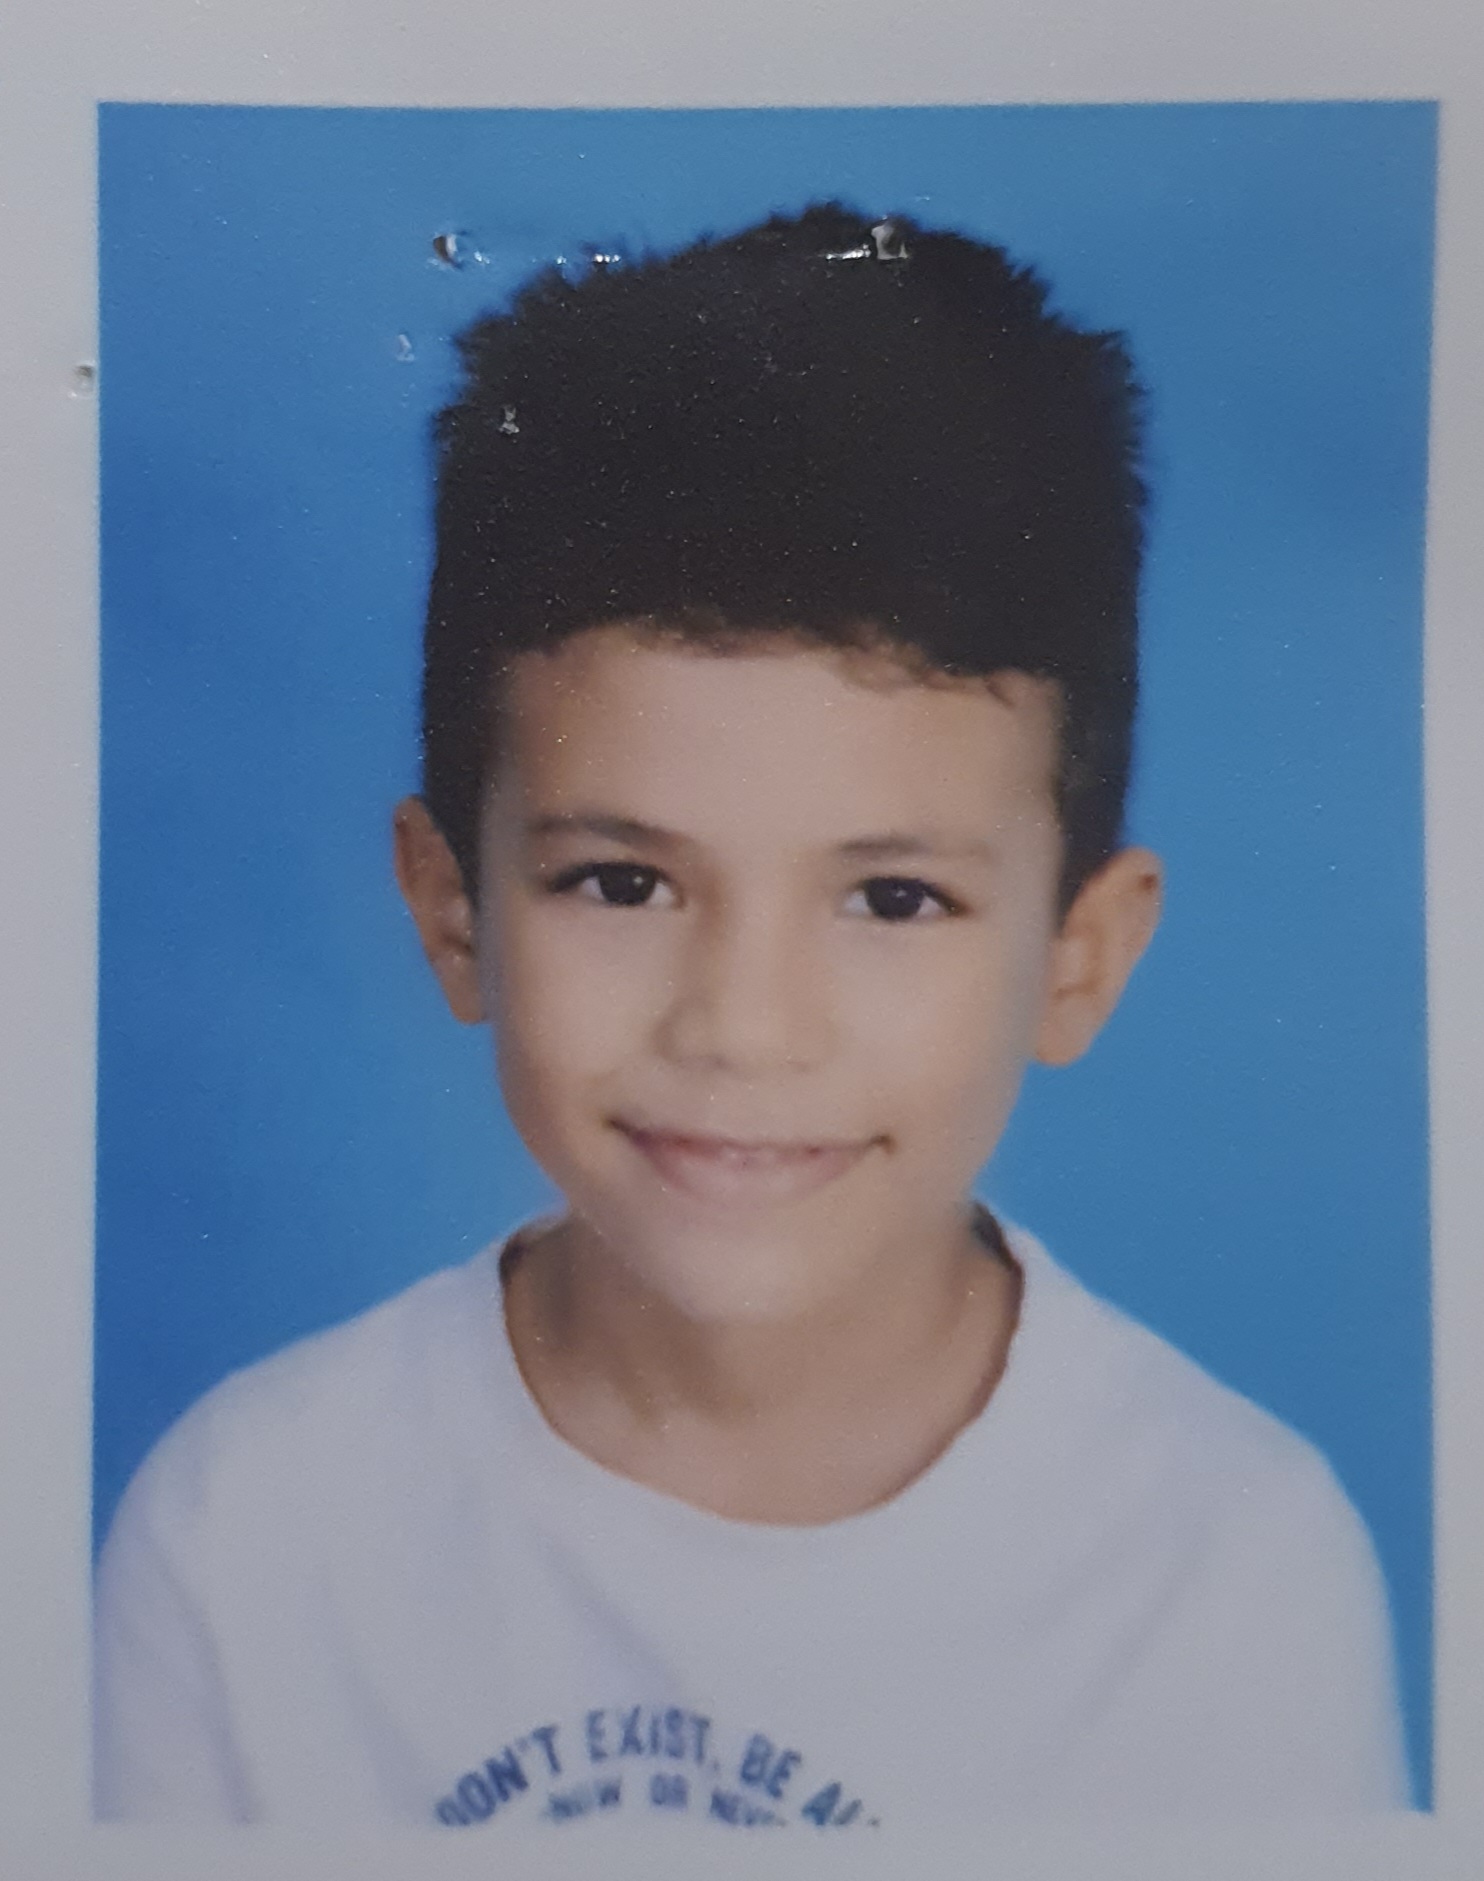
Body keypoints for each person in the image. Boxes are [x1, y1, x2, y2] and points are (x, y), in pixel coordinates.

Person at [93, 203, 1409, 1828]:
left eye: (893, 898)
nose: (744, 1027)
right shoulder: (247, 1536)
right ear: (452, 908)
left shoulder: (1233, 1576)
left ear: (1080, 956)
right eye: (623, 882)